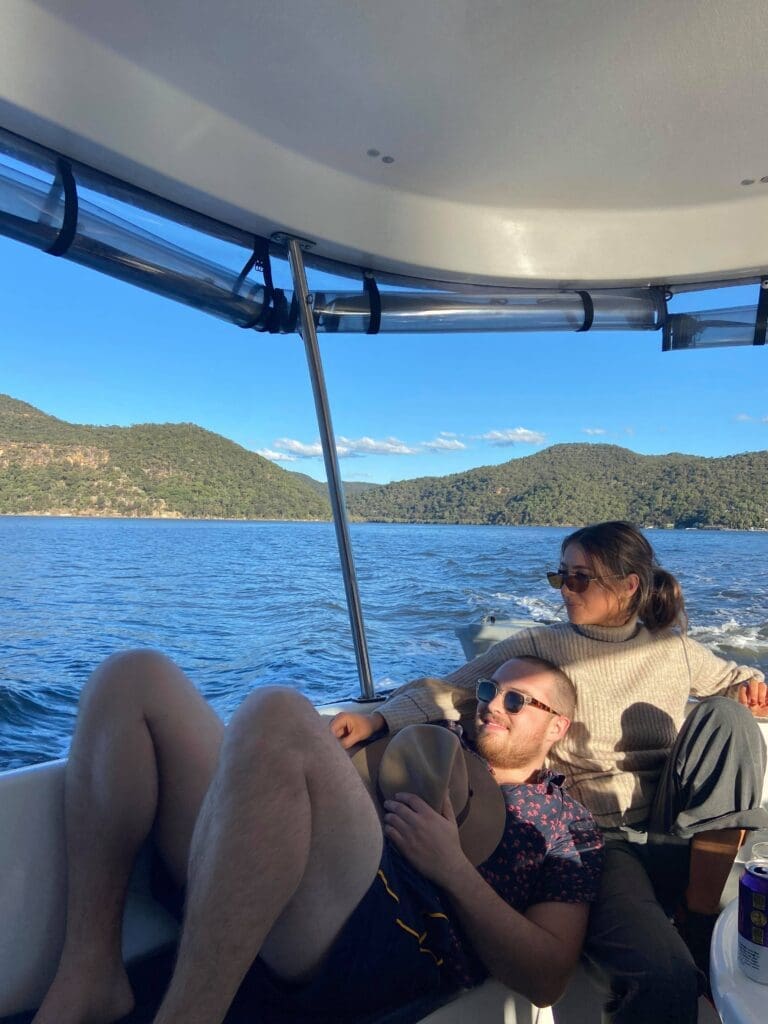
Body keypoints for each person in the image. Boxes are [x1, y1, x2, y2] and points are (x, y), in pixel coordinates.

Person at [332, 520, 768, 1024]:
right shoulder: (543, 644)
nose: (565, 590)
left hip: (673, 822)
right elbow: (450, 689)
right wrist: (379, 717)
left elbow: (740, 680)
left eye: (580, 578)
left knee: (729, 718)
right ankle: (679, 943)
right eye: (560, 577)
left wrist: (752, 687)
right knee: (663, 977)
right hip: (605, 837)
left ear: (629, 586)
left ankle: (698, 914)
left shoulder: (673, 649)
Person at [32, 650, 603, 1024]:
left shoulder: (564, 822)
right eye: (486, 689)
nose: (490, 707)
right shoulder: (432, 738)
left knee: (278, 710)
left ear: (558, 726)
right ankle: (90, 970)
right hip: (304, 875)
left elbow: (548, 976)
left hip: (395, 937)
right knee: (133, 677)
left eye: (514, 700)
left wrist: (449, 867)